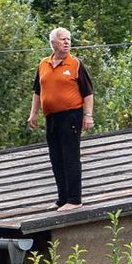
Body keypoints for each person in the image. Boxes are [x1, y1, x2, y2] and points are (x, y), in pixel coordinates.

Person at [26, 27, 94, 207]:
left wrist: (88, 115)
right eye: (63, 39)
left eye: (69, 39)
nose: (67, 42)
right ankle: (62, 198)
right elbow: (37, 91)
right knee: (56, 157)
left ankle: (74, 199)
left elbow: (88, 93)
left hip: (71, 115)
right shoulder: (43, 64)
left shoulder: (75, 64)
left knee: (70, 155)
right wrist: (33, 114)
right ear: (53, 43)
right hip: (51, 117)